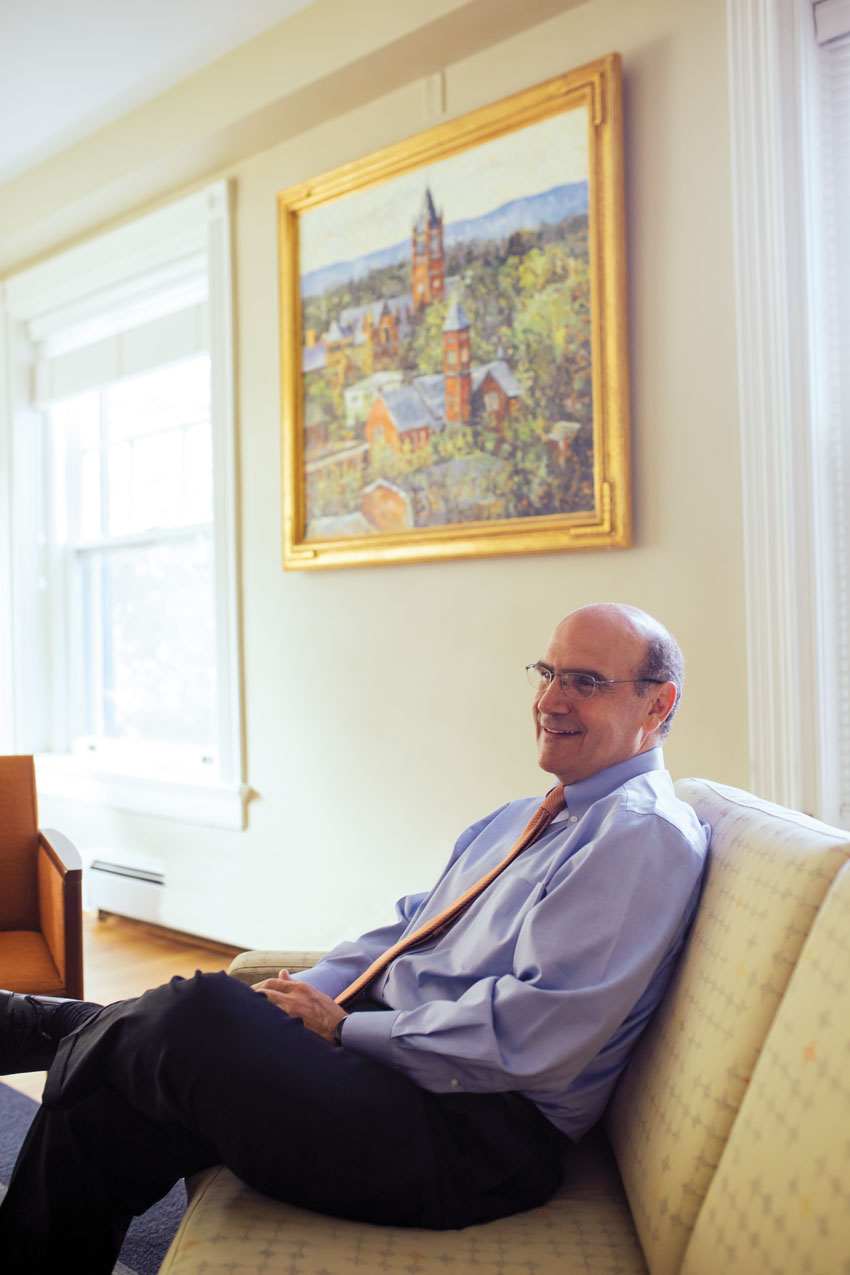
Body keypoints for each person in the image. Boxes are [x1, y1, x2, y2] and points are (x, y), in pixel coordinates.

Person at [0, 603, 709, 1272]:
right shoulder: (528, 815)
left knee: (197, 1012)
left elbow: (532, 1036)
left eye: (584, 681)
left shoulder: (637, 832)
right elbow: (409, 924)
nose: (552, 699)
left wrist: (343, 1030)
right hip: (402, 1073)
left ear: (658, 703)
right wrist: (309, 993)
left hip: (472, 1135)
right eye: (548, 672)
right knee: (111, 1096)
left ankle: (53, 1027)